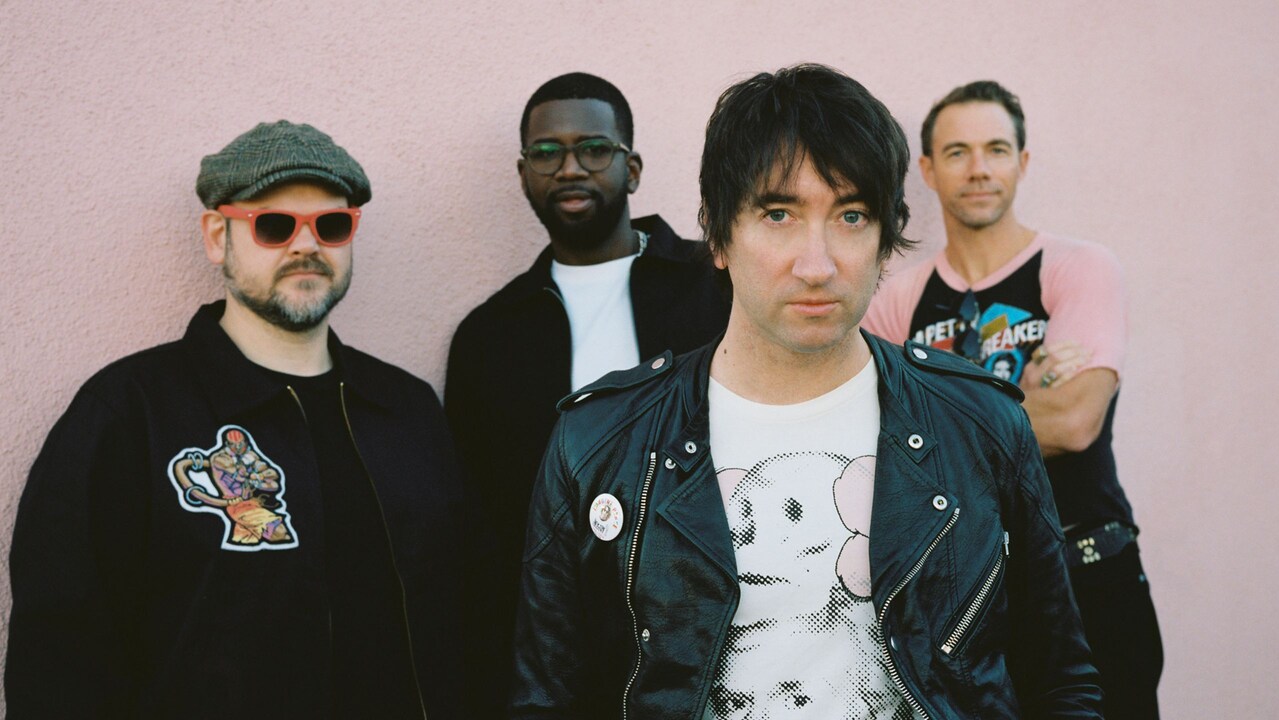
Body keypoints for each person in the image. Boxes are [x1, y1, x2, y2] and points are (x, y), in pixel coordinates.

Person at [511, 64, 1101, 719]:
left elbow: (1061, 681)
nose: (816, 264)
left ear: (885, 241)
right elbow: (547, 699)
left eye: (850, 215)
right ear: (719, 234)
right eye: (779, 213)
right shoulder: (599, 442)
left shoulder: (981, 423)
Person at [6, 121, 463, 719]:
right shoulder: (129, 413)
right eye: (273, 226)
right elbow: (60, 658)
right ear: (217, 237)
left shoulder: (407, 409)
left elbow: (464, 610)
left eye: (331, 225)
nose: (307, 246)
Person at [863, 80, 1162, 718]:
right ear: (928, 170)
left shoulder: (1077, 267)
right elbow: (877, 439)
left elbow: (1075, 421)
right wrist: (1026, 393)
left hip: (1090, 570)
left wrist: (937, 414)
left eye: (996, 149)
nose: (978, 169)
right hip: (961, 589)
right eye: (958, 152)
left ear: (1022, 163)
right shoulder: (897, 299)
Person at [445, 72, 728, 713]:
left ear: (631, 169)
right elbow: (477, 523)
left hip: (713, 622)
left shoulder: (713, 289)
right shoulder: (489, 337)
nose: (569, 167)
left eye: (593, 149)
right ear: (523, 174)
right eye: (547, 153)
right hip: (564, 648)